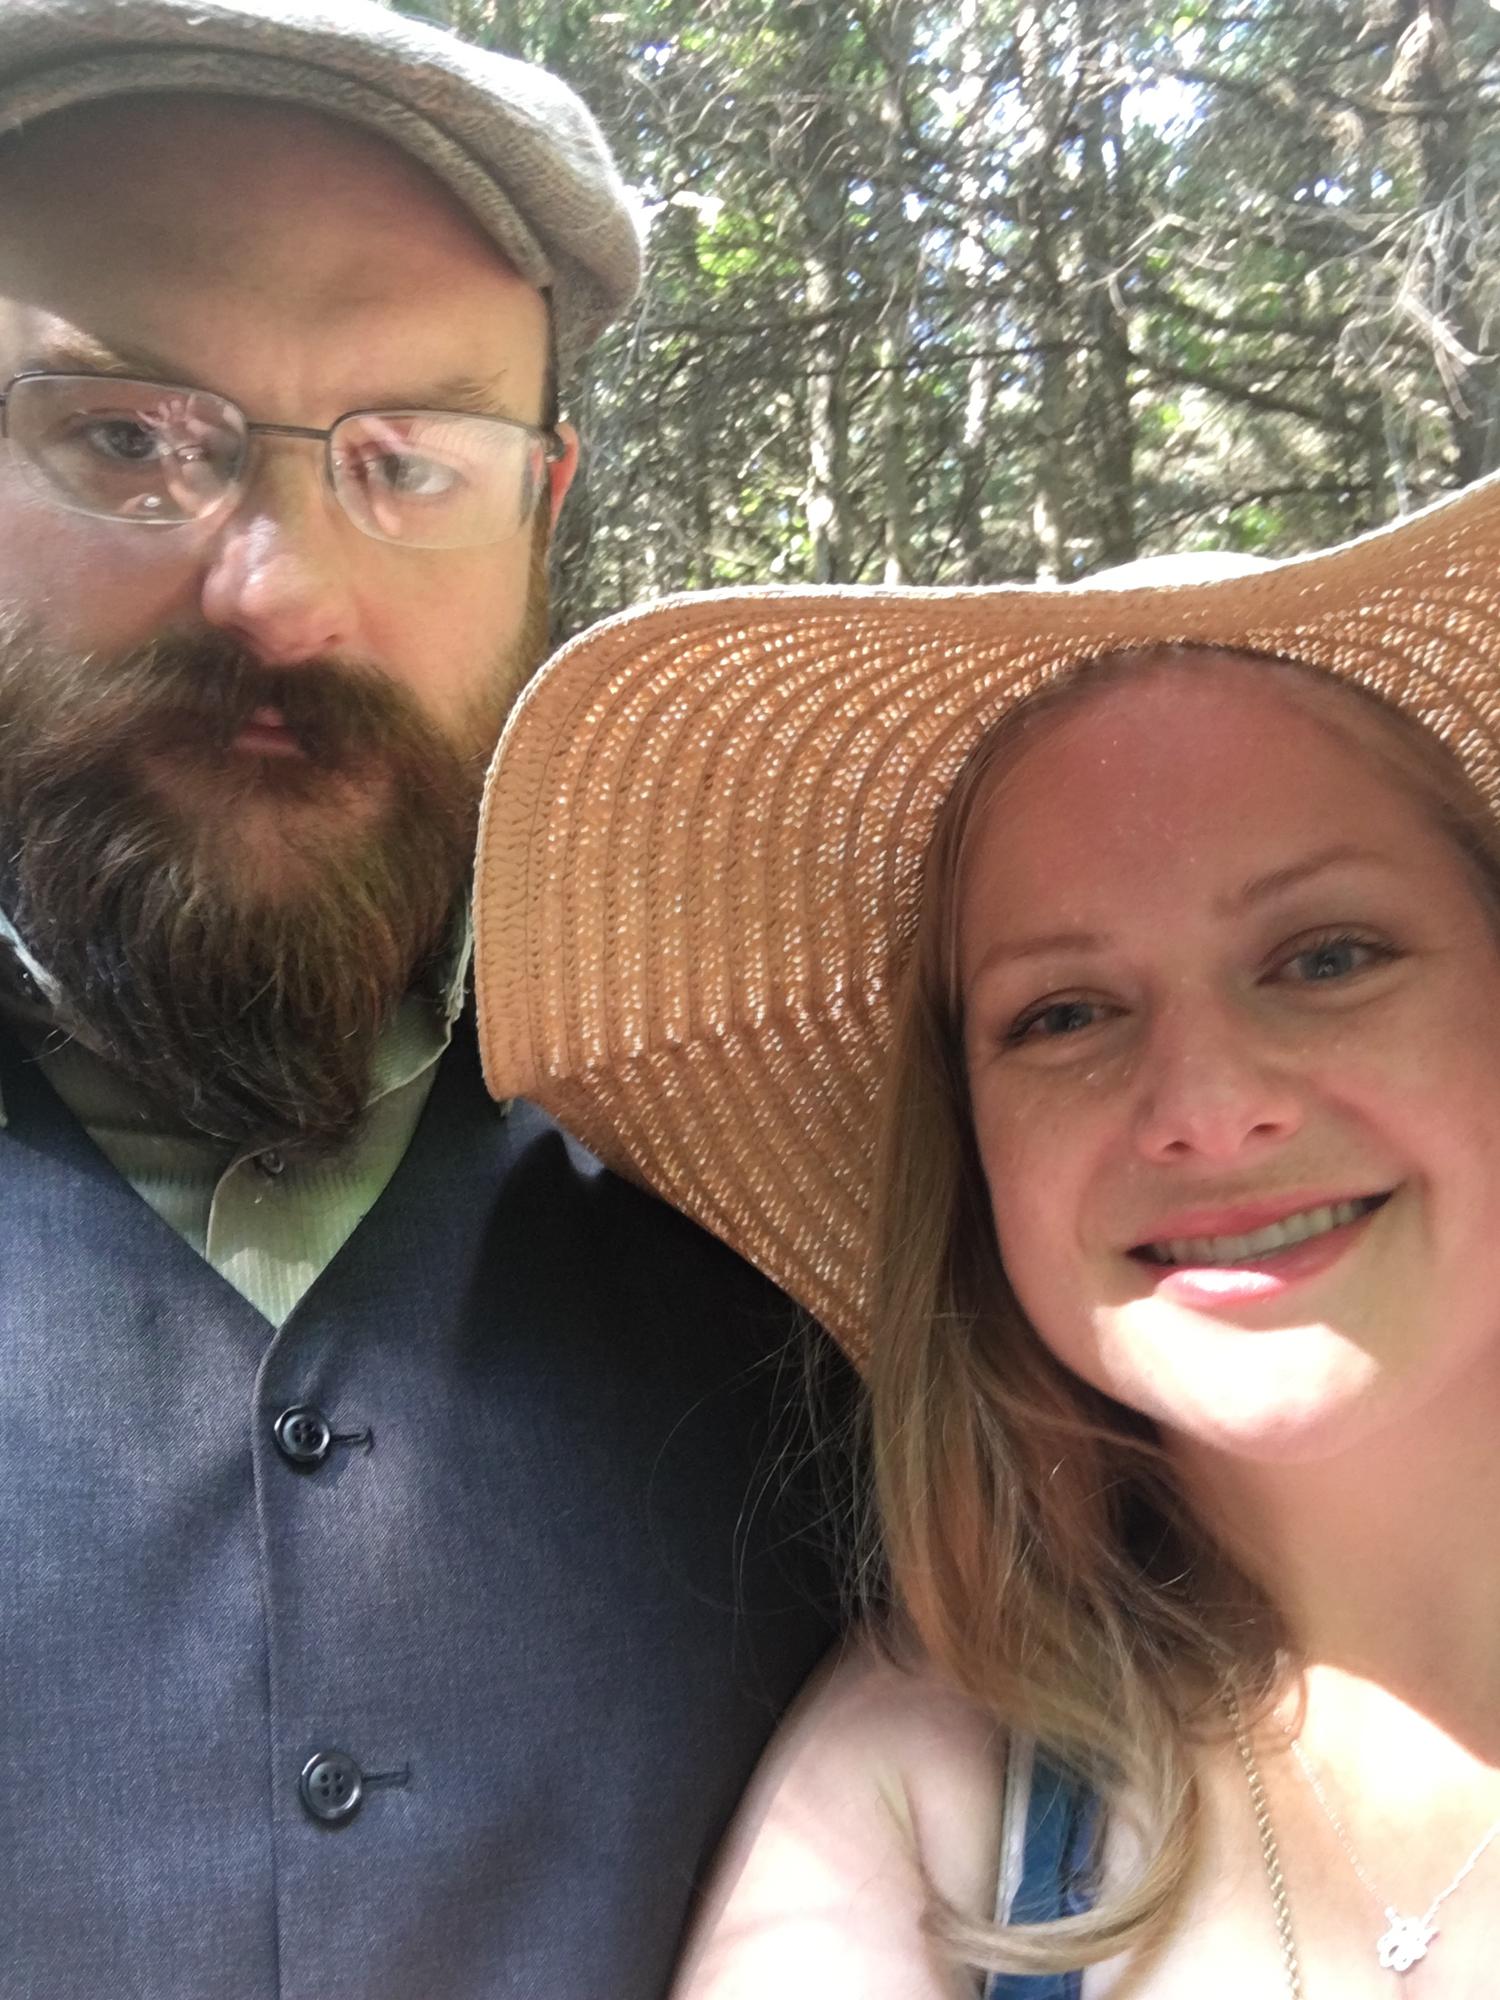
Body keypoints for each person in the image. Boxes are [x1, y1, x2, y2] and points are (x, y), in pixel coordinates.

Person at [0, 5, 841, 1994]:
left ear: (543, 513)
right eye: (126, 437)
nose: (281, 595)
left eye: (412, 461)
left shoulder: (803, 1196)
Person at [475, 481, 1500, 1996]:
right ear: (974, 1152)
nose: (1206, 1109)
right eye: (1064, 1015)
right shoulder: (926, 1801)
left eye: (1326, 957)